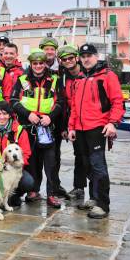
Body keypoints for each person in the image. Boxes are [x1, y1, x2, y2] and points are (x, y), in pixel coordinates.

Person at [68, 44, 124, 219]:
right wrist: (71, 127)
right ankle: (93, 198)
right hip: (81, 129)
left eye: (89, 55)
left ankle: (103, 204)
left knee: (98, 167)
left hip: (98, 128)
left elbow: (117, 102)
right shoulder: (79, 79)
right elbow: (75, 107)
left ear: (96, 56)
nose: (86, 59)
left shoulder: (108, 76)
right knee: (87, 166)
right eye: (83, 56)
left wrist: (113, 123)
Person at [10, 49, 64, 208]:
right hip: (28, 126)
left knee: (51, 162)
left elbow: (61, 102)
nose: (38, 66)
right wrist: (28, 114)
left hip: (48, 126)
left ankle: (52, 194)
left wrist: (50, 117)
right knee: (32, 160)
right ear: (31, 64)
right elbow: (13, 100)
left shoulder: (55, 79)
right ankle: (33, 191)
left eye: (41, 63)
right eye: (35, 63)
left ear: (45, 64)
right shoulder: (22, 79)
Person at [56, 45, 86, 199]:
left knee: (92, 157)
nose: (68, 61)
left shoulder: (87, 72)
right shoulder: (63, 78)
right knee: (78, 154)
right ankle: (79, 187)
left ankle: (97, 193)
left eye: (70, 58)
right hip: (73, 121)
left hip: (89, 120)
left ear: (76, 58)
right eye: (64, 59)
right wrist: (64, 127)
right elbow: (63, 104)